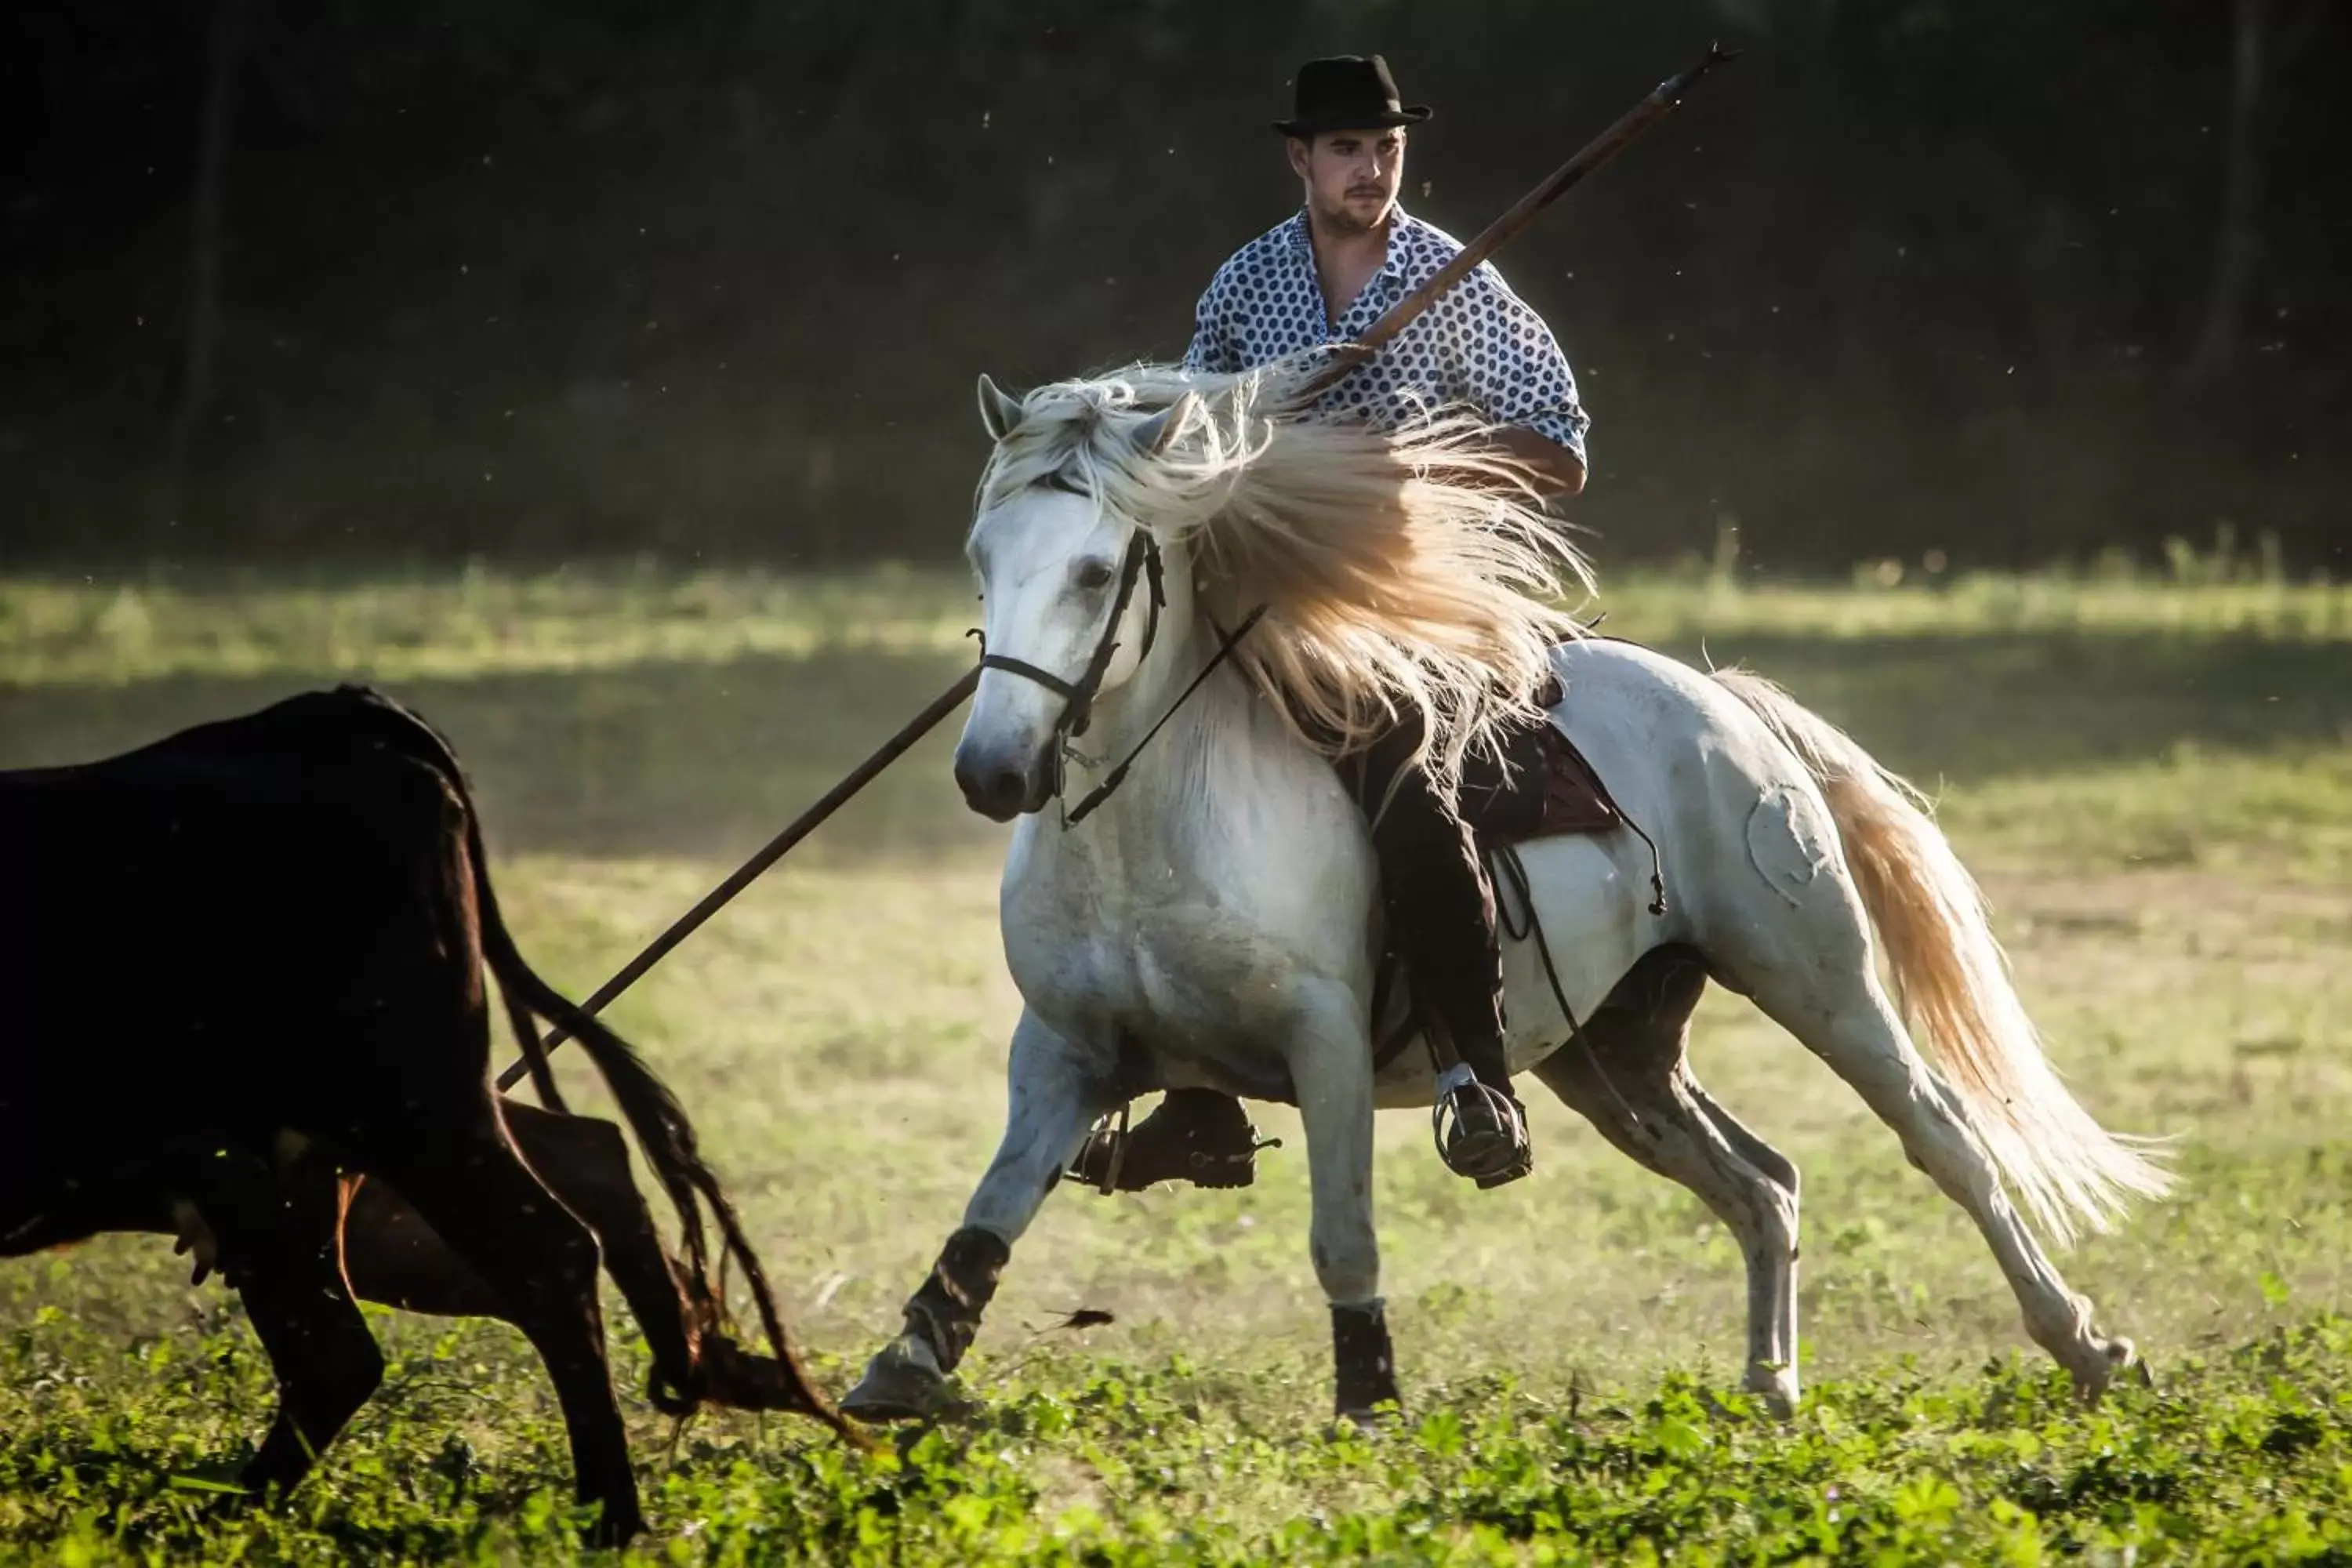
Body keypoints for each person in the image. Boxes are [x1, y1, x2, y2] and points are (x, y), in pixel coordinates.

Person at [1072, 53, 1590, 1192]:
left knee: (1397, 769)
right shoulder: (1249, 286)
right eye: (1348, 150)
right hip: (1254, 597)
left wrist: (1403, 458)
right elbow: (1186, 445)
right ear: (1300, 157)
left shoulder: (1455, 280)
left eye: (1387, 149)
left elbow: (1561, 448)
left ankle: (1475, 1074)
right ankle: (1194, 1099)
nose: (1371, 171)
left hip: (1400, 601)